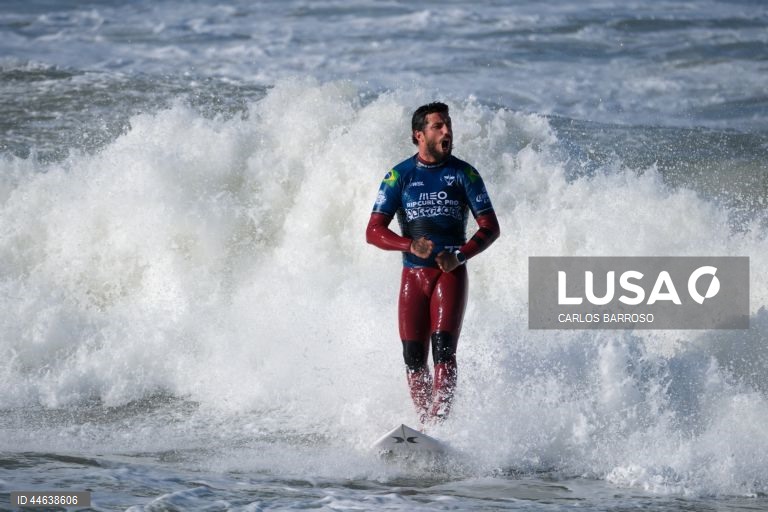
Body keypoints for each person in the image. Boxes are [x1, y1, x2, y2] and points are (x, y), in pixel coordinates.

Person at [366, 102, 500, 425]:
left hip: (448, 273)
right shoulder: (399, 176)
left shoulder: (464, 174)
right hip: (412, 275)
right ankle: (425, 424)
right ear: (419, 135)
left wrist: (459, 256)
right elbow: (373, 231)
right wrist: (409, 244)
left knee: (443, 351)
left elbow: (490, 227)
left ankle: (439, 424)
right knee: (413, 357)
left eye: (448, 124)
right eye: (438, 126)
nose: (447, 131)